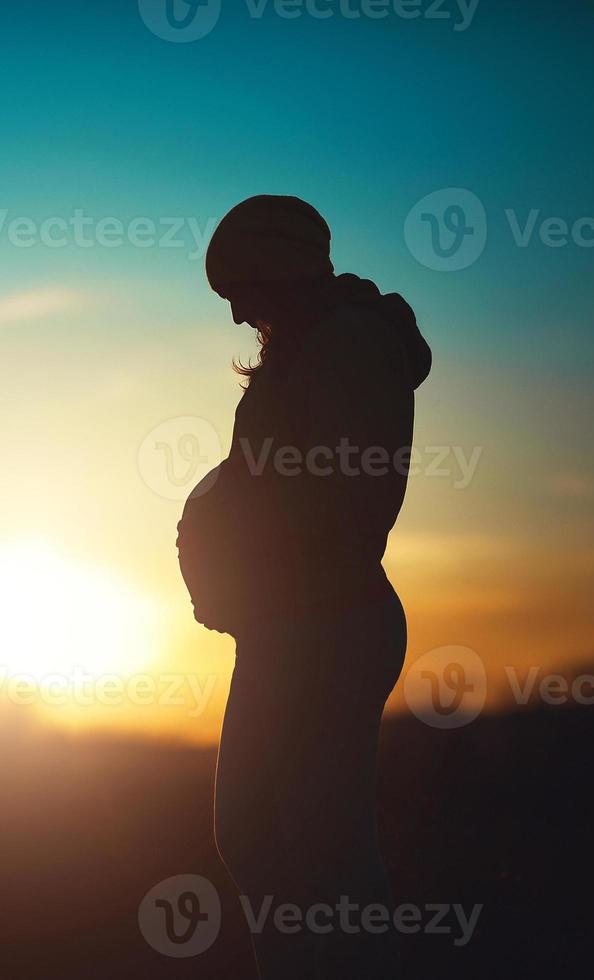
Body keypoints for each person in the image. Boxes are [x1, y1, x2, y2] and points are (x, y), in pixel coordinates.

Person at [177, 195, 432, 979]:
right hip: (288, 623)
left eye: (239, 293)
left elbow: (344, 497)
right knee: (256, 836)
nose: (235, 317)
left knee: (322, 851)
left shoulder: (347, 345)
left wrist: (233, 533)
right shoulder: (309, 349)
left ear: (277, 269)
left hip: (326, 621)